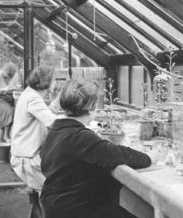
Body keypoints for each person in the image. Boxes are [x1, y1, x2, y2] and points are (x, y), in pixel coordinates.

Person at [40, 79, 152, 218]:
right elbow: (119, 154)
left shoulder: (56, 129)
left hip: (54, 204)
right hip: (74, 209)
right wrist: (150, 157)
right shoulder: (80, 137)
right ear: (92, 107)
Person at [11, 66, 57, 191]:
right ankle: (46, 208)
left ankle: (40, 208)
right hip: (27, 160)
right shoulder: (33, 98)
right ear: (48, 82)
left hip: (24, 155)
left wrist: (57, 104)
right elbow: (54, 123)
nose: (56, 82)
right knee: (56, 190)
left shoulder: (29, 93)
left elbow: (45, 114)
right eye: (54, 79)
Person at [0, 62, 17, 142]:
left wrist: (12, 89)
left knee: (3, 124)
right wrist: (2, 90)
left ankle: (2, 145)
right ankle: (5, 137)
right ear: (4, 71)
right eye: (7, 76)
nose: (9, 79)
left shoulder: (13, 76)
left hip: (6, 99)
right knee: (9, 112)